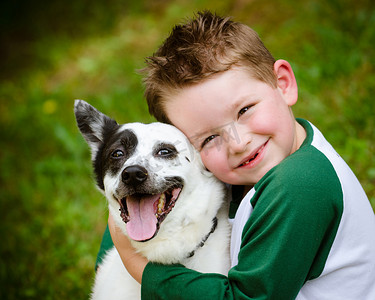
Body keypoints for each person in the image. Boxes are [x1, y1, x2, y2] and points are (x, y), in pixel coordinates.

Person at [101, 11, 375, 299]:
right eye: (209, 138)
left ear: (283, 83)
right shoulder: (248, 169)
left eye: (245, 110)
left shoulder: (299, 185)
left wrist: (139, 266)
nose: (238, 143)